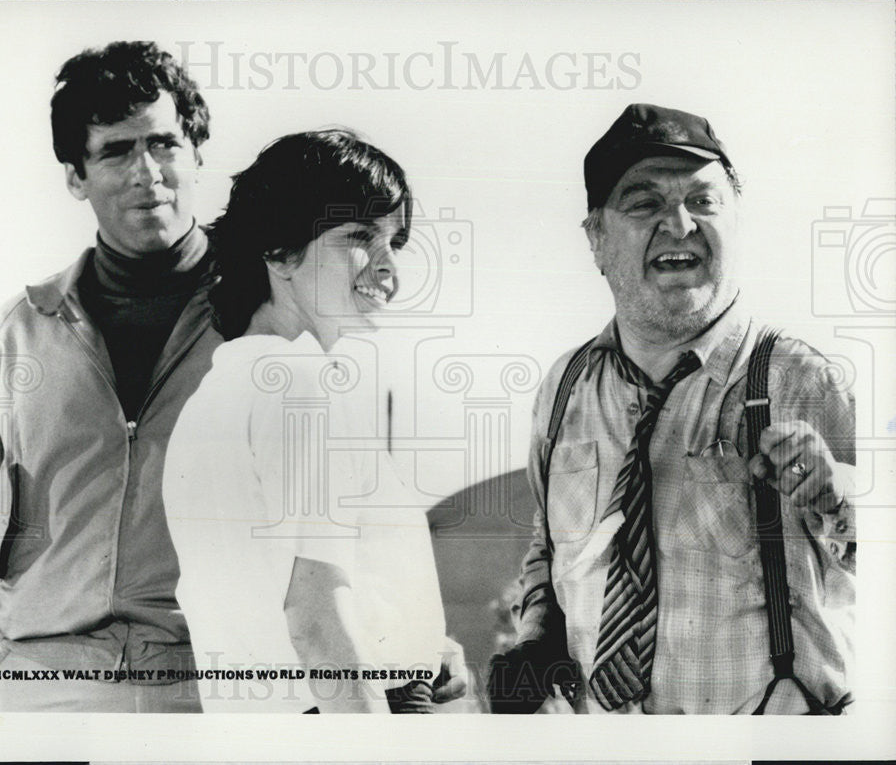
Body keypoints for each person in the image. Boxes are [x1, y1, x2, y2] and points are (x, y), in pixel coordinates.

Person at [489, 104, 855, 714]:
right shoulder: (564, 387)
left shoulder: (804, 380)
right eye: (644, 203)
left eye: (702, 201)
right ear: (596, 239)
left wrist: (838, 495)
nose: (679, 224)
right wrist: (535, 640)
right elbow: (548, 548)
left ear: (735, 219)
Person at [0, 41, 223, 712]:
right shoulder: (17, 334)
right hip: (38, 691)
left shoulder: (266, 317)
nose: (147, 172)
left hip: (214, 689)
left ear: (196, 153)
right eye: (116, 151)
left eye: (163, 144)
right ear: (76, 175)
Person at [163, 129, 466, 713]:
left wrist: (420, 639)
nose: (389, 270)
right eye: (358, 236)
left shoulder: (218, 393)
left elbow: (272, 593)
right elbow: (313, 618)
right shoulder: (298, 384)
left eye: (394, 242)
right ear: (277, 250)